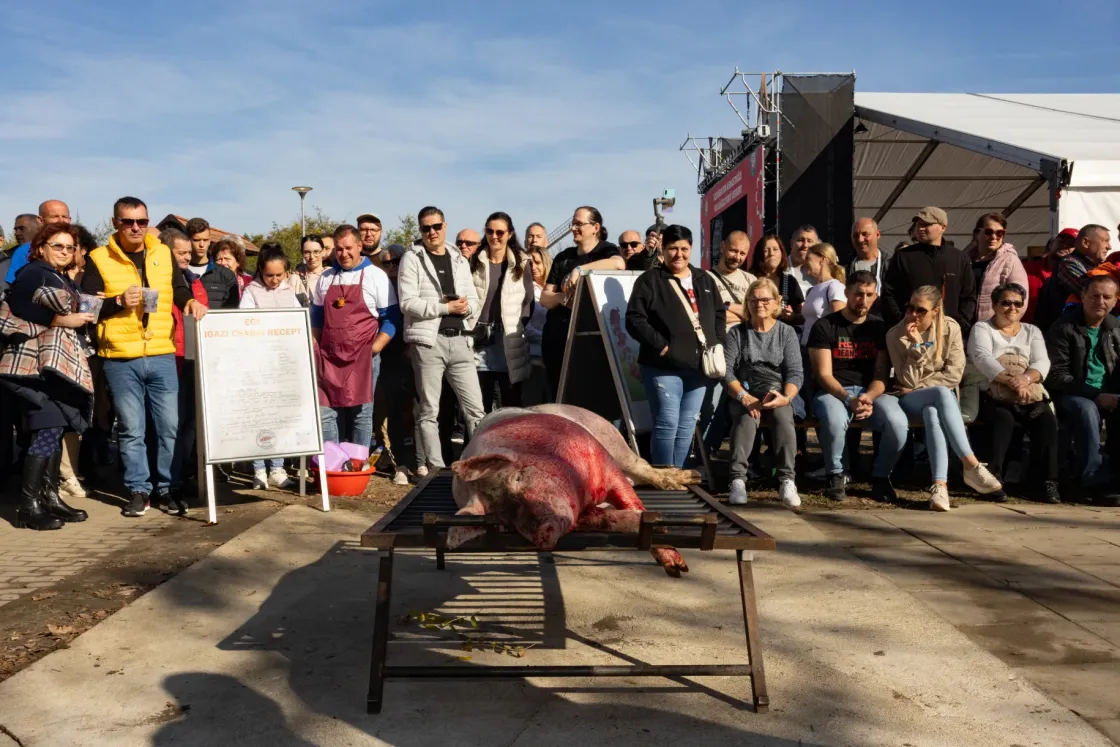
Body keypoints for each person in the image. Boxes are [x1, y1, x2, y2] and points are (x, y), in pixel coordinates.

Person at [80, 198, 206, 516]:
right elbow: (86, 309)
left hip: (162, 352)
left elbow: (178, 287)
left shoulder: (162, 252)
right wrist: (118, 300)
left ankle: (168, 488)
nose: (135, 227)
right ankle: (138, 489)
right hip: (120, 357)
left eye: (141, 221)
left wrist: (189, 301)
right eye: (128, 222)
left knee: (169, 427)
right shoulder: (98, 258)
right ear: (115, 222)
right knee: (132, 428)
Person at [0, 223, 95, 530]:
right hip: (33, 367)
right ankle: (28, 507)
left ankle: (49, 497)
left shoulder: (55, 275)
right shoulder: (34, 271)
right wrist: (61, 318)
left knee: (53, 430)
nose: (65, 252)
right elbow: (18, 305)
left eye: (69, 247)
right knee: (46, 429)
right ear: (41, 247)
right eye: (58, 246)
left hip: (52, 366)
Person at [886, 286, 1004, 510]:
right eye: (909, 308)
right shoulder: (895, 334)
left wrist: (919, 386)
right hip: (909, 401)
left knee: (933, 409)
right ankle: (971, 465)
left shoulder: (950, 328)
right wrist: (916, 347)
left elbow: (954, 374)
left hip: (938, 400)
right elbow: (907, 381)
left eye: (921, 310)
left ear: (936, 311)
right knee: (940, 393)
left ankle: (940, 487)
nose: (912, 315)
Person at [626, 225, 724, 468]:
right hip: (662, 366)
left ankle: (678, 477)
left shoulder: (704, 279)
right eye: (672, 248)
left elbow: (719, 313)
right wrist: (663, 346)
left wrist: (716, 342)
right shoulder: (649, 280)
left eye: (684, 249)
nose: (678, 254)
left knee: (687, 424)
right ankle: (663, 478)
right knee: (667, 422)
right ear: (663, 249)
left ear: (691, 249)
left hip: (699, 367)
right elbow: (634, 320)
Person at [398, 206, 486, 472]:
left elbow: (472, 298)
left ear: (445, 226)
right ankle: (435, 471)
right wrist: (444, 308)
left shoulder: (458, 257)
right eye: (426, 228)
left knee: (476, 411)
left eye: (436, 226)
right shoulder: (412, 257)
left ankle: (481, 465)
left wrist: (466, 308)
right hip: (428, 341)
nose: (432, 232)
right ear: (420, 230)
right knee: (429, 411)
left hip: (460, 339)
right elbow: (407, 302)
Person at [808, 271, 908, 503]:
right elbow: (823, 374)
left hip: (872, 391)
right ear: (846, 293)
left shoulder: (879, 328)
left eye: (869, 295)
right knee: (834, 419)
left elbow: (882, 374)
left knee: (898, 422)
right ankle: (835, 474)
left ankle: (882, 476)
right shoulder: (825, 326)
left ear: (876, 296)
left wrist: (869, 397)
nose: (863, 301)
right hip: (834, 390)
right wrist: (848, 399)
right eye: (858, 294)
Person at [967, 283, 1059, 503]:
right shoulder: (982, 329)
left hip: (1027, 392)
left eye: (1018, 303)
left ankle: (1046, 482)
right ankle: (993, 480)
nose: (1012, 308)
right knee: (1004, 418)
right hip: (991, 391)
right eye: (1006, 303)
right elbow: (982, 358)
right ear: (995, 305)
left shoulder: (1031, 331)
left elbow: (1041, 361)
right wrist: (1011, 381)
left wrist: (1025, 380)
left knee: (1046, 419)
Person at [311, 225, 398, 448]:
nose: (344, 254)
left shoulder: (376, 276)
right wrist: (315, 347)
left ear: (360, 246)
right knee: (328, 412)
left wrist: (374, 349)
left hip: (363, 358)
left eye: (349, 248)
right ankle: (333, 463)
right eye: (339, 249)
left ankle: (357, 463)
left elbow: (391, 319)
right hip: (329, 358)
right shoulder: (325, 278)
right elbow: (317, 319)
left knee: (361, 413)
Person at [722, 278, 802, 507]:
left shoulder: (786, 333)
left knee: (783, 417)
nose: (760, 304)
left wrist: (785, 397)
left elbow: (795, 372)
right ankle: (737, 479)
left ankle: (787, 479)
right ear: (747, 302)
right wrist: (743, 397)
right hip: (745, 389)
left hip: (776, 390)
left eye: (766, 299)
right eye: (754, 299)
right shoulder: (737, 333)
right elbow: (726, 371)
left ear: (777, 303)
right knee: (746, 418)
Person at [1045, 275, 1120, 506]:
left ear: (1116, 301)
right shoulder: (1064, 327)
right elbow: (1057, 375)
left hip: (1108, 393)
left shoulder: (1116, 328)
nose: (1100, 301)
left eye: (1107, 297)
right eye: (1094, 296)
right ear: (1083, 297)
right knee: (1087, 410)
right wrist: (1096, 396)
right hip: (1071, 393)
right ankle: (1094, 479)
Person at [541, 206, 624, 394]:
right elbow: (545, 298)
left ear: (595, 227)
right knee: (558, 394)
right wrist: (563, 298)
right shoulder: (563, 257)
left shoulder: (606, 250)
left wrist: (580, 270)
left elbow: (619, 264)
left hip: (591, 341)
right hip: (558, 338)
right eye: (573, 223)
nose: (573, 228)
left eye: (579, 224)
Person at [238, 245, 300, 490]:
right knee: (259, 417)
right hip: (258, 365)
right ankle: (259, 469)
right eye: (269, 275)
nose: (274, 280)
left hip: (282, 365)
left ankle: (277, 466)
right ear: (260, 273)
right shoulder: (251, 292)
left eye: (279, 275)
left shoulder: (289, 292)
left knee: (279, 417)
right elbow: (245, 323)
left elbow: (297, 321)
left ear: (286, 273)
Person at [697, 230, 758, 456]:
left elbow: (757, 315)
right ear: (722, 247)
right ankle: (705, 454)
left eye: (742, 253)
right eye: (733, 250)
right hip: (716, 351)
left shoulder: (750, 280)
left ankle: (743, 458)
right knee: (710, 406)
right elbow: (705, 316)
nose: (737, 256)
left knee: (742, 404)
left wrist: (724, 307)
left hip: (745, 353)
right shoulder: (704, 278)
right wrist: (739, 310)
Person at [471, 212, 534, 413]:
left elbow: (528, 300)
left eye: (500, 232)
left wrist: (518, 324)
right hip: (479, 340)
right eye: (490, 231)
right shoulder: (474, 261)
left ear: (510, 234)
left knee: (511, 405)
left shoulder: (522, 263)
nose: (494, 236)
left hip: (509, 339)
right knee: (479, 405)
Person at [881, 207, 977, 336]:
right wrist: (902, 322)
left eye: (926, 224)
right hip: (912, 333)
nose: (920, 228)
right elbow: (889, 294)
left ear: (943, 227)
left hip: (949, 334)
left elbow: (969, 296)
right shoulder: (903, 257)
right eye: (918, 224)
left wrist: (960, 326)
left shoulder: (959, 258)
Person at [370, 244, 420, 485]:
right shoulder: (379, 286)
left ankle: (419, 462)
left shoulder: (412, 285)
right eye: (386, 262)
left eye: (395, 261)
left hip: (415, 354)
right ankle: (399, 464)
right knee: (393, 411)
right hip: (388, 357)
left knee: (419, 411)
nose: (391, 266)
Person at [1035, 224, 1112, 332]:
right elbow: (1093, 292)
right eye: (1105, 241)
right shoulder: (1068, 263)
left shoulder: (1097, 266)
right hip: (1065, 335)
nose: (1109, 247)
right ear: (1085, 243)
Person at [968, 213, 1028, 324]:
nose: (994, 237)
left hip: (994, 329)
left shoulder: (1010, 260)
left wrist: (1002, 327)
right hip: (964, 329)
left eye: (1000, 233)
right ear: (977, 233)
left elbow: (1020, 300)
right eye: (988, 232)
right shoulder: (965, 259)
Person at [6, 201, 72, 284]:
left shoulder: (77, 248)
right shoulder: (25, 250)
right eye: (54, 216)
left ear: (70, 219)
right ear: (40, 220)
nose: (61, 221)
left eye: (64, 216)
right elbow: (14, 284)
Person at [748, 234, 804, 327]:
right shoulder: (750, 279)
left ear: (781, 253)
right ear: (759, 255)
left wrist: (793, 316)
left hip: (783, 336)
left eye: (775, 249)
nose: (771, 254)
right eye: (766, 250)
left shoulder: (790, 281)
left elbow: (803, 316)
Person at [1024, 229, 1077, 323]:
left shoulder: (1075, 277)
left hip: (1057, 331)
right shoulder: (1026, 268)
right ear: (1050, 244)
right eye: (1061, 241)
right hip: (1025, 328)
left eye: (1071, 245)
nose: (1064, 246)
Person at [799, 243, 847, 347]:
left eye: (808, 258)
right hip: (806, 349)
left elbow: (840, 325)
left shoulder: (835, 286)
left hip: (823, 350)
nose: (804, 262)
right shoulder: (812, 290)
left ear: (822, 259)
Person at [522, 244, 552, 406]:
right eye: (529, 263)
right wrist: (546, 337)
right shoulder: (525, 290)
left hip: (553, 357)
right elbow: (524, 325)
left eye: (537, 262)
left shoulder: (554, 288)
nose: (533, 267)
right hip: (532, 358)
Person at [289, 234, 326, 302]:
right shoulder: (295, 279)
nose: (312, 257)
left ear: (323, 252)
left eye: (316, 252)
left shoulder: (332, 276)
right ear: (302, 253)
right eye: (307, 252)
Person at [785, 225, 818, 297]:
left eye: (809, 241)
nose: (805, 245)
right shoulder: (781, 268)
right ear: (791, 243)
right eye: (800, 240)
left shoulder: (821, 270)